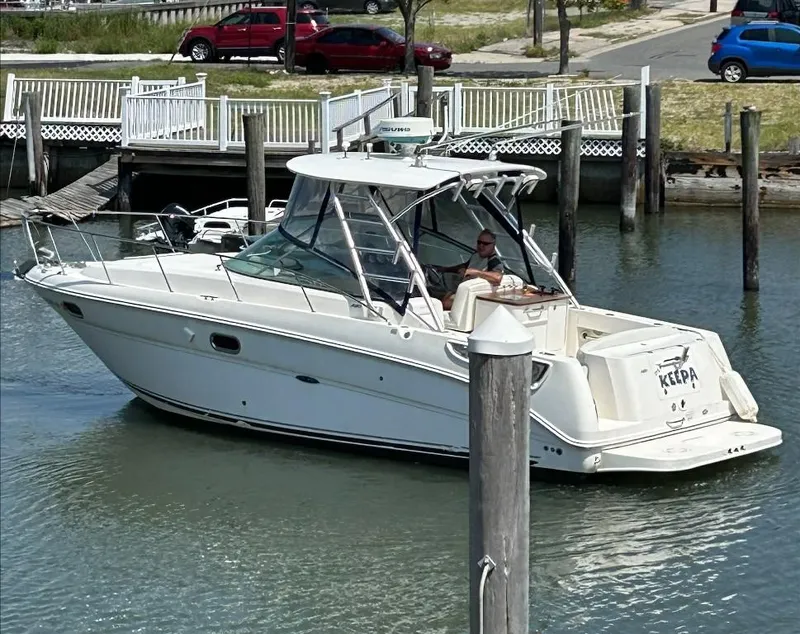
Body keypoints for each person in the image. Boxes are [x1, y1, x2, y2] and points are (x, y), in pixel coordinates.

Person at [432, 229, 504, 310]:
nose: (481, 246)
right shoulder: (476, 255)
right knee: (434, 292)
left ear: (493, 245)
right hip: (461, 290)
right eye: (479, 242)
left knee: (444, 303)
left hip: (472, 297)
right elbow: (463, 267)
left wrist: (475, 272)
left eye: (485, 244)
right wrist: (444, 269)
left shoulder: (493, 261)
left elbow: (497, 278)